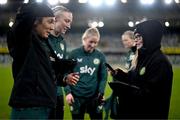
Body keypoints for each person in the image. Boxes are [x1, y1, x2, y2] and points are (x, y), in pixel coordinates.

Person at [6, 2, 78, 119]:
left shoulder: (43, 43)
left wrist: (64, 78)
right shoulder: (25, 40)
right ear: (35, 21)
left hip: (45, 105)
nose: (52, 26)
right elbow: (23, 18)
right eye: (50, 21)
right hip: (29, 107)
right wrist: (41, 5)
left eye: (54, 22)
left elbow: (46, 72)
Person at [110, 20, 173, 119]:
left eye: (139, 37)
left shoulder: (160, 62)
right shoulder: (142, 58)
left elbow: (150, 97)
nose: (136, 40)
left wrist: (124, 91)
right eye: (135, 37)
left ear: (150, 37)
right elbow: (134, 78)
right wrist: (119, 74)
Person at [65, 27, 108, 120]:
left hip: (94, 97)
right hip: (76, 97)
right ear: (84, 39)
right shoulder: (74, 54)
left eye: (95, 42)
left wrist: (101, 92)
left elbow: (104, 77)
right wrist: (68, 92)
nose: (93, 45)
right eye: (91, 42)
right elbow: (66, 73)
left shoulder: (100, 56)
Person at [48, 5, 79, 119]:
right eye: (66, 21)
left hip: (58, 94)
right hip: (42, 95)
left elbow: (62, 72)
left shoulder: (63, 43)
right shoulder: (41, 39)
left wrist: (68, 89)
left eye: (70, 22)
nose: (69, 26)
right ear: (55, 19)